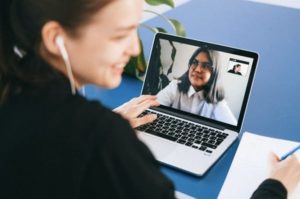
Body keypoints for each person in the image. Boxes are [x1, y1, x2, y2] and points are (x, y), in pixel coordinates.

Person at [0, 0, 299, 199]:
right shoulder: (101, 139)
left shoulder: (13, 91)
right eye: (120, 35)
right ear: (56, 38)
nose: (134, 49)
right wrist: (275, 186)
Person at [156, 47, 237, 125]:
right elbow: (154, 107)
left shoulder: (217, 101)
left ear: (214, 73)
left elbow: (231, 128)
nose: (198, 69)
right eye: (194, 62)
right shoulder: (175, 86)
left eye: (205, 66)